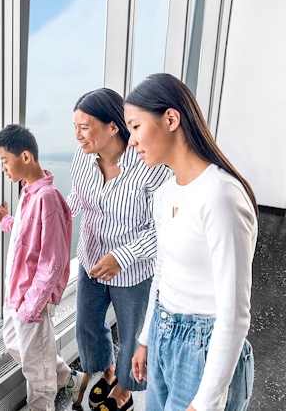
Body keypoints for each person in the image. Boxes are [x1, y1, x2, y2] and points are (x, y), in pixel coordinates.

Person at [127, 73, 258, 411]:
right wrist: (145, 340)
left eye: (136, 127)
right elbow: (163, 269)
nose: (131, 141)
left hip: (205, 349)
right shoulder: (166, 191)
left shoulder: (220, 196)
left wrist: (207, 402)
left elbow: (234, 313)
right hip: (162, 330)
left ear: (171, 118)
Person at [68, 88, 172, 411]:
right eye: (75, 128)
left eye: (85, 127)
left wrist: (121, 257)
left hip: (132, 269)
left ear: (113, 127)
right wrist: (50, 213)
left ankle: (125, 391)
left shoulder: (149, 166)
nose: (78, 136)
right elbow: (76, 199)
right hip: (91, 259)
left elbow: (163, 229)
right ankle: (110, 373)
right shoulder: (82, 158)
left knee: (131, 334)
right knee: (87, 323)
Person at [0, 124, 87, 411]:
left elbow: (54, 261)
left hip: (31, 301)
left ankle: (43, 403)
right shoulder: (28, 192)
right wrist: (7, 220)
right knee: (14, 344)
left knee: (37, 373)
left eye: (5, 161)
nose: (4, 168)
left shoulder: (48, 198)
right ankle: (70, 379)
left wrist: (32, 306)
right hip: (16, 296)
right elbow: (26, 236)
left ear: (26, 157)